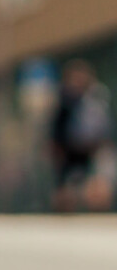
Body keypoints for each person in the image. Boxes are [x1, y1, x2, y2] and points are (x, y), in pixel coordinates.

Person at [50, 60, 111, 212]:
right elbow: (57, 131)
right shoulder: (64, 103)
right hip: (69, 152)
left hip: (92, 150)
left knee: (97, 185)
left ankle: (97, 212)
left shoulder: (96, 100)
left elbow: (104, 126)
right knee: (66, 189)